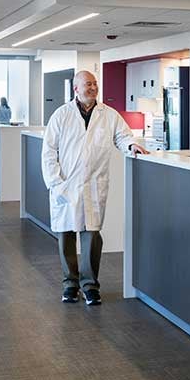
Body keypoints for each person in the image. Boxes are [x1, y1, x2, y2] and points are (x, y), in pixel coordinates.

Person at [42, 70, 148, 305]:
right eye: (87, 84)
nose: (92, 88)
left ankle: (90, 285)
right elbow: (49, 151)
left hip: (93, 184)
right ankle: (70, 284)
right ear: (76, 89)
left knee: (91, 234)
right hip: (66, 185)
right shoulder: (61, 115)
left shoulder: (108, 115)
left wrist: (132, 145)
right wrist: (56, 182)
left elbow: (122, 136)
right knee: (66, 235)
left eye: (94, 84)